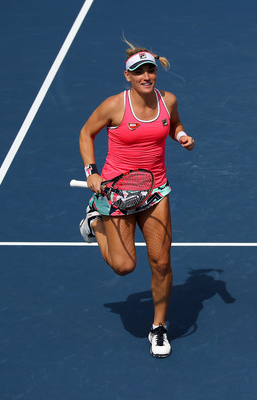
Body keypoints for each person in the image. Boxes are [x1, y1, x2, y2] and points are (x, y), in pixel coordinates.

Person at [78, 40, 194, 358]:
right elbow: (86, 133)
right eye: (138, 71)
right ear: (127, 76)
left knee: (161, 262)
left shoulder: (168, 100)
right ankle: (95, 221)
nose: (146, 76)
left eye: (150, 70)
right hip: (116, 192)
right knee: (124, 266)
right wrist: (91, 171)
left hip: (156, 190)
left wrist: (181, 135)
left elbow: (174, 125)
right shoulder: (114, 106)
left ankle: (158, 327)